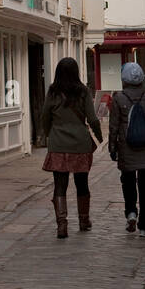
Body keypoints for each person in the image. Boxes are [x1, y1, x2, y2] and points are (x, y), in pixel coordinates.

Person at [41, 56, 103, 238]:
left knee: (60, 185)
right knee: (81, 183)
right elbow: (92, 118)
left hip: (58, 143)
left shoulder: (52, 92)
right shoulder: (83, 91)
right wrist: (99, 137)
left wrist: (49, 134)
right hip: (80, 144)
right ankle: (84, 220)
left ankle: (62, 225)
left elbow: (45, 116)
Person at [109, 61, 145, 237]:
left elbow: (114, 126)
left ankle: (131, 212)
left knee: (127, 182)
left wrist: (112, 148)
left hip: (126, 148)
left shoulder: (118, 98)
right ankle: (144, 226)